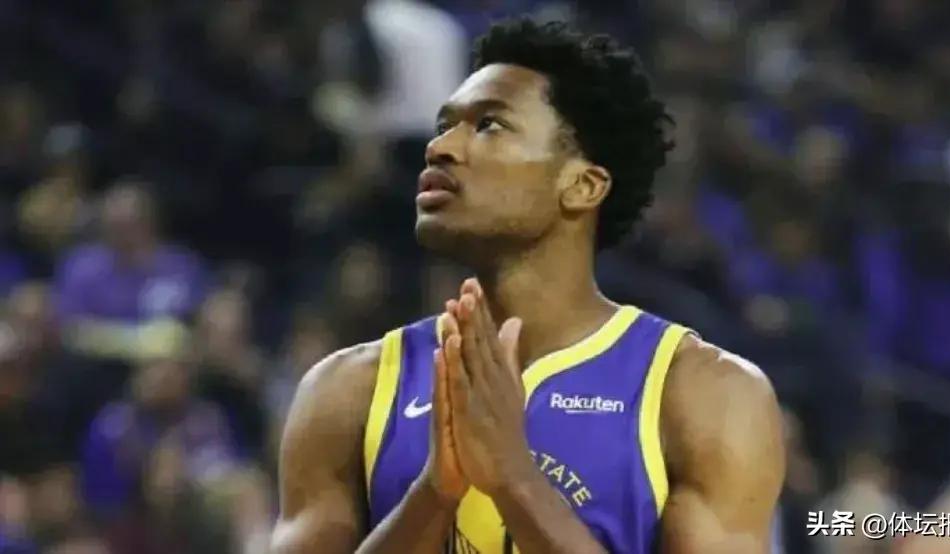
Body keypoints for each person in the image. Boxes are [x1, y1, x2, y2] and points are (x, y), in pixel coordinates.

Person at [273, 19, 785, 554]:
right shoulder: (347, 390)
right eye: (443, 125)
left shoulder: (704, 394)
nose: (440, 146)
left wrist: (515, 480)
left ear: (582, 185)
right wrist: (433, 495)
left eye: (489, 125)